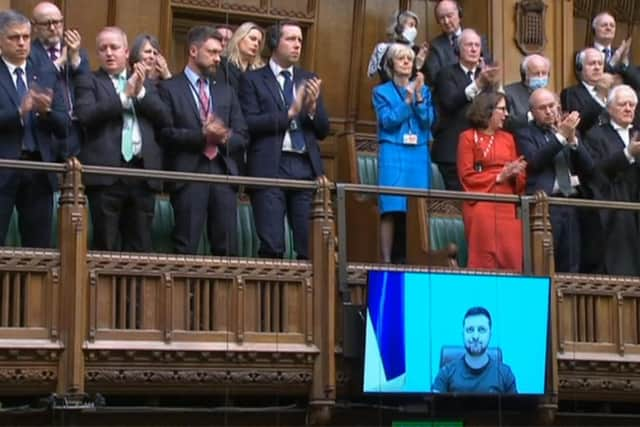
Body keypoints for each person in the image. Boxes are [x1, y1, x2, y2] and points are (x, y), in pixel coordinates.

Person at [238, 21, 330, 260]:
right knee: (272, 246)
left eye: (300, 40)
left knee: (308, 247)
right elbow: (248, 123)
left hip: (304, 167)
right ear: (274, 43)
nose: (297, 44)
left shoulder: (309, 79)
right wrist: (288, 114)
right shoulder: (253, 80)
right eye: (291, 39)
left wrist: (310, 109)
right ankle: (271, 298)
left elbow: (323, 130)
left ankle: (306, 298)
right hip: (270, 168)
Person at [74, 26, 169, 252]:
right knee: (106, 245)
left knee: (140, 246)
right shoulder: (88, 80)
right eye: (103, 49)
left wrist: (141, 93)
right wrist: (124, 96)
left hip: (141, 173)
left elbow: (165, 118)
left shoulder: (145, 82)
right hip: (106, 175)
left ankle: (135, 289)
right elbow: (86, 116)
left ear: (126, 52)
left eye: (114, 48)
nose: (109, 53)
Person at [159, 26, 248, 256]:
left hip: (222, 173)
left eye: (220, 53)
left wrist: (223, 136)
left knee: (227, 249)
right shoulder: (169, 88)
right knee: (186, 246)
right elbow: (165, 134)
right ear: (193, 50)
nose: (218, 58)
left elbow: (242, 135)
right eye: (212, 52)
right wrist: (203, 136)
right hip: (188, 174)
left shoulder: (226, 91)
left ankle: (224, 294)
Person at [0, 9, 69, 247]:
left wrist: (46, 112)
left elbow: (64, 126)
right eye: (14, 37)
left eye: (26, 37)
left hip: (38, 170)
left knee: (39, 248)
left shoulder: (45, 71)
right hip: (4, 167)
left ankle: (29, 288)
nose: (21, 43)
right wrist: (19, 112)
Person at [515, 89, 594, 273]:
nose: (549, 111)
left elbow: (589, 168)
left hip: (571, 203)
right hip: (545, 205)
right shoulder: (524, 133)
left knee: (571, 263)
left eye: (552, 106)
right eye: (542, 108)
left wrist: (573, 140)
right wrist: (560, 137)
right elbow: (535, 161)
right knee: (544, 263)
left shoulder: (571, 132)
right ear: (532, 112)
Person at [372, 44, 435, 263]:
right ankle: (387, 260)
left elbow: (428, 121)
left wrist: (417, 97)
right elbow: (387, 121)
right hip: (393, 151)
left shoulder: (424, 90)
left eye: (409, 59)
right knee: (391, 207)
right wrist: (407, 100)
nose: (407, 62)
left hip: (418, 153)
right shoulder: (381, 92)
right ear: (391, 64)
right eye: (401, 59)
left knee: (416, 209)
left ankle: (416, 257)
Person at [457, 91, 526, 271]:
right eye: (502, 109)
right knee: (484, 259)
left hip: (507, 204)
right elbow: (466, 176)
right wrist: (498, 177)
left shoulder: (508, 138)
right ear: (487, 110)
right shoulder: (467, 137)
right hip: (481, 202)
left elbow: (518, 176)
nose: (506, 114)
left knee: (511, 257)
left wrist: (517, 172)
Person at [432, 28, 500, 191]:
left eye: (477, 45)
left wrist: (495, 87)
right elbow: (450, 103)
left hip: (481, 153)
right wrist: (478, 84)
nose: (474, 49)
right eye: (469, 45)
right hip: (452, 153)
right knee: (458, 208)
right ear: (458, 49)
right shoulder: (445, 74)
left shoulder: (486, 76)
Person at [583, 85, 640, 276]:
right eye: (623, 104)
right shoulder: (596, 135)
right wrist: (627, 154)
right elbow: (596, 170)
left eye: (632, 105)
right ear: (609, 108)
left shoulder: (637, 133)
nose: (628, 108)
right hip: (615, 208)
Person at [30, 1, 90, 159]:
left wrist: (75, 58)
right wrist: (58, 63)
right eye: (46, 24)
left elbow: (86, 86)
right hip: (46, 133)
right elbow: (38, 88)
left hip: (76, 134)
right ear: (35, 26)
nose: (52, 28)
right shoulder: (29, 54)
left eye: (56, 22)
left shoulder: (78, 52)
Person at [432, 306, 517, 394]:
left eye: (481, 330)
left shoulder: (505, 374)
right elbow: (433, 406)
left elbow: (516, 407)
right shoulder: (445, 374)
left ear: (490, 334)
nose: (475, 336)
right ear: (463, 334)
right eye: (470, 330)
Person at [423, 0, 492, 84]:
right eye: (442, 18)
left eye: (449, 16)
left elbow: (488, 69)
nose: (446, 21)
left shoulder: (477, 39)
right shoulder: (434, 46)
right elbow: (435, 78)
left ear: (459, 14)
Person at [367, 10, 428, 83]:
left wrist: (419, 62)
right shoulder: (384, 48)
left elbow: (419, 77)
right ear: (398, 27)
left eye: (415, 26)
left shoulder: (416, 50)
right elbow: (383, 74)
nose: (414, 29)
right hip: (388, 91)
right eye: (411, 25)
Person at [561, 48, 606, 136]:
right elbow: (578, 123)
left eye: (600, 64)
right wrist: (599, 97)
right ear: (580, 67)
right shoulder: (570, 93)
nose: (597, 67)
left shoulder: (613, 92)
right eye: (592, 64)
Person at [504, 54, 551, 131]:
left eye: (544, 73)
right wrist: (532, 115)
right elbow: (506, 122)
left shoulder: (550, 96)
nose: (541, 77)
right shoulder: (508, 93)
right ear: (525, 75)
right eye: (536, 73)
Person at [219, 22, 265, 93]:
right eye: (252, 39)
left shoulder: (260, 71)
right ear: (239, 38)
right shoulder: (222, 64)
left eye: (259, 42)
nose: (256, 44)